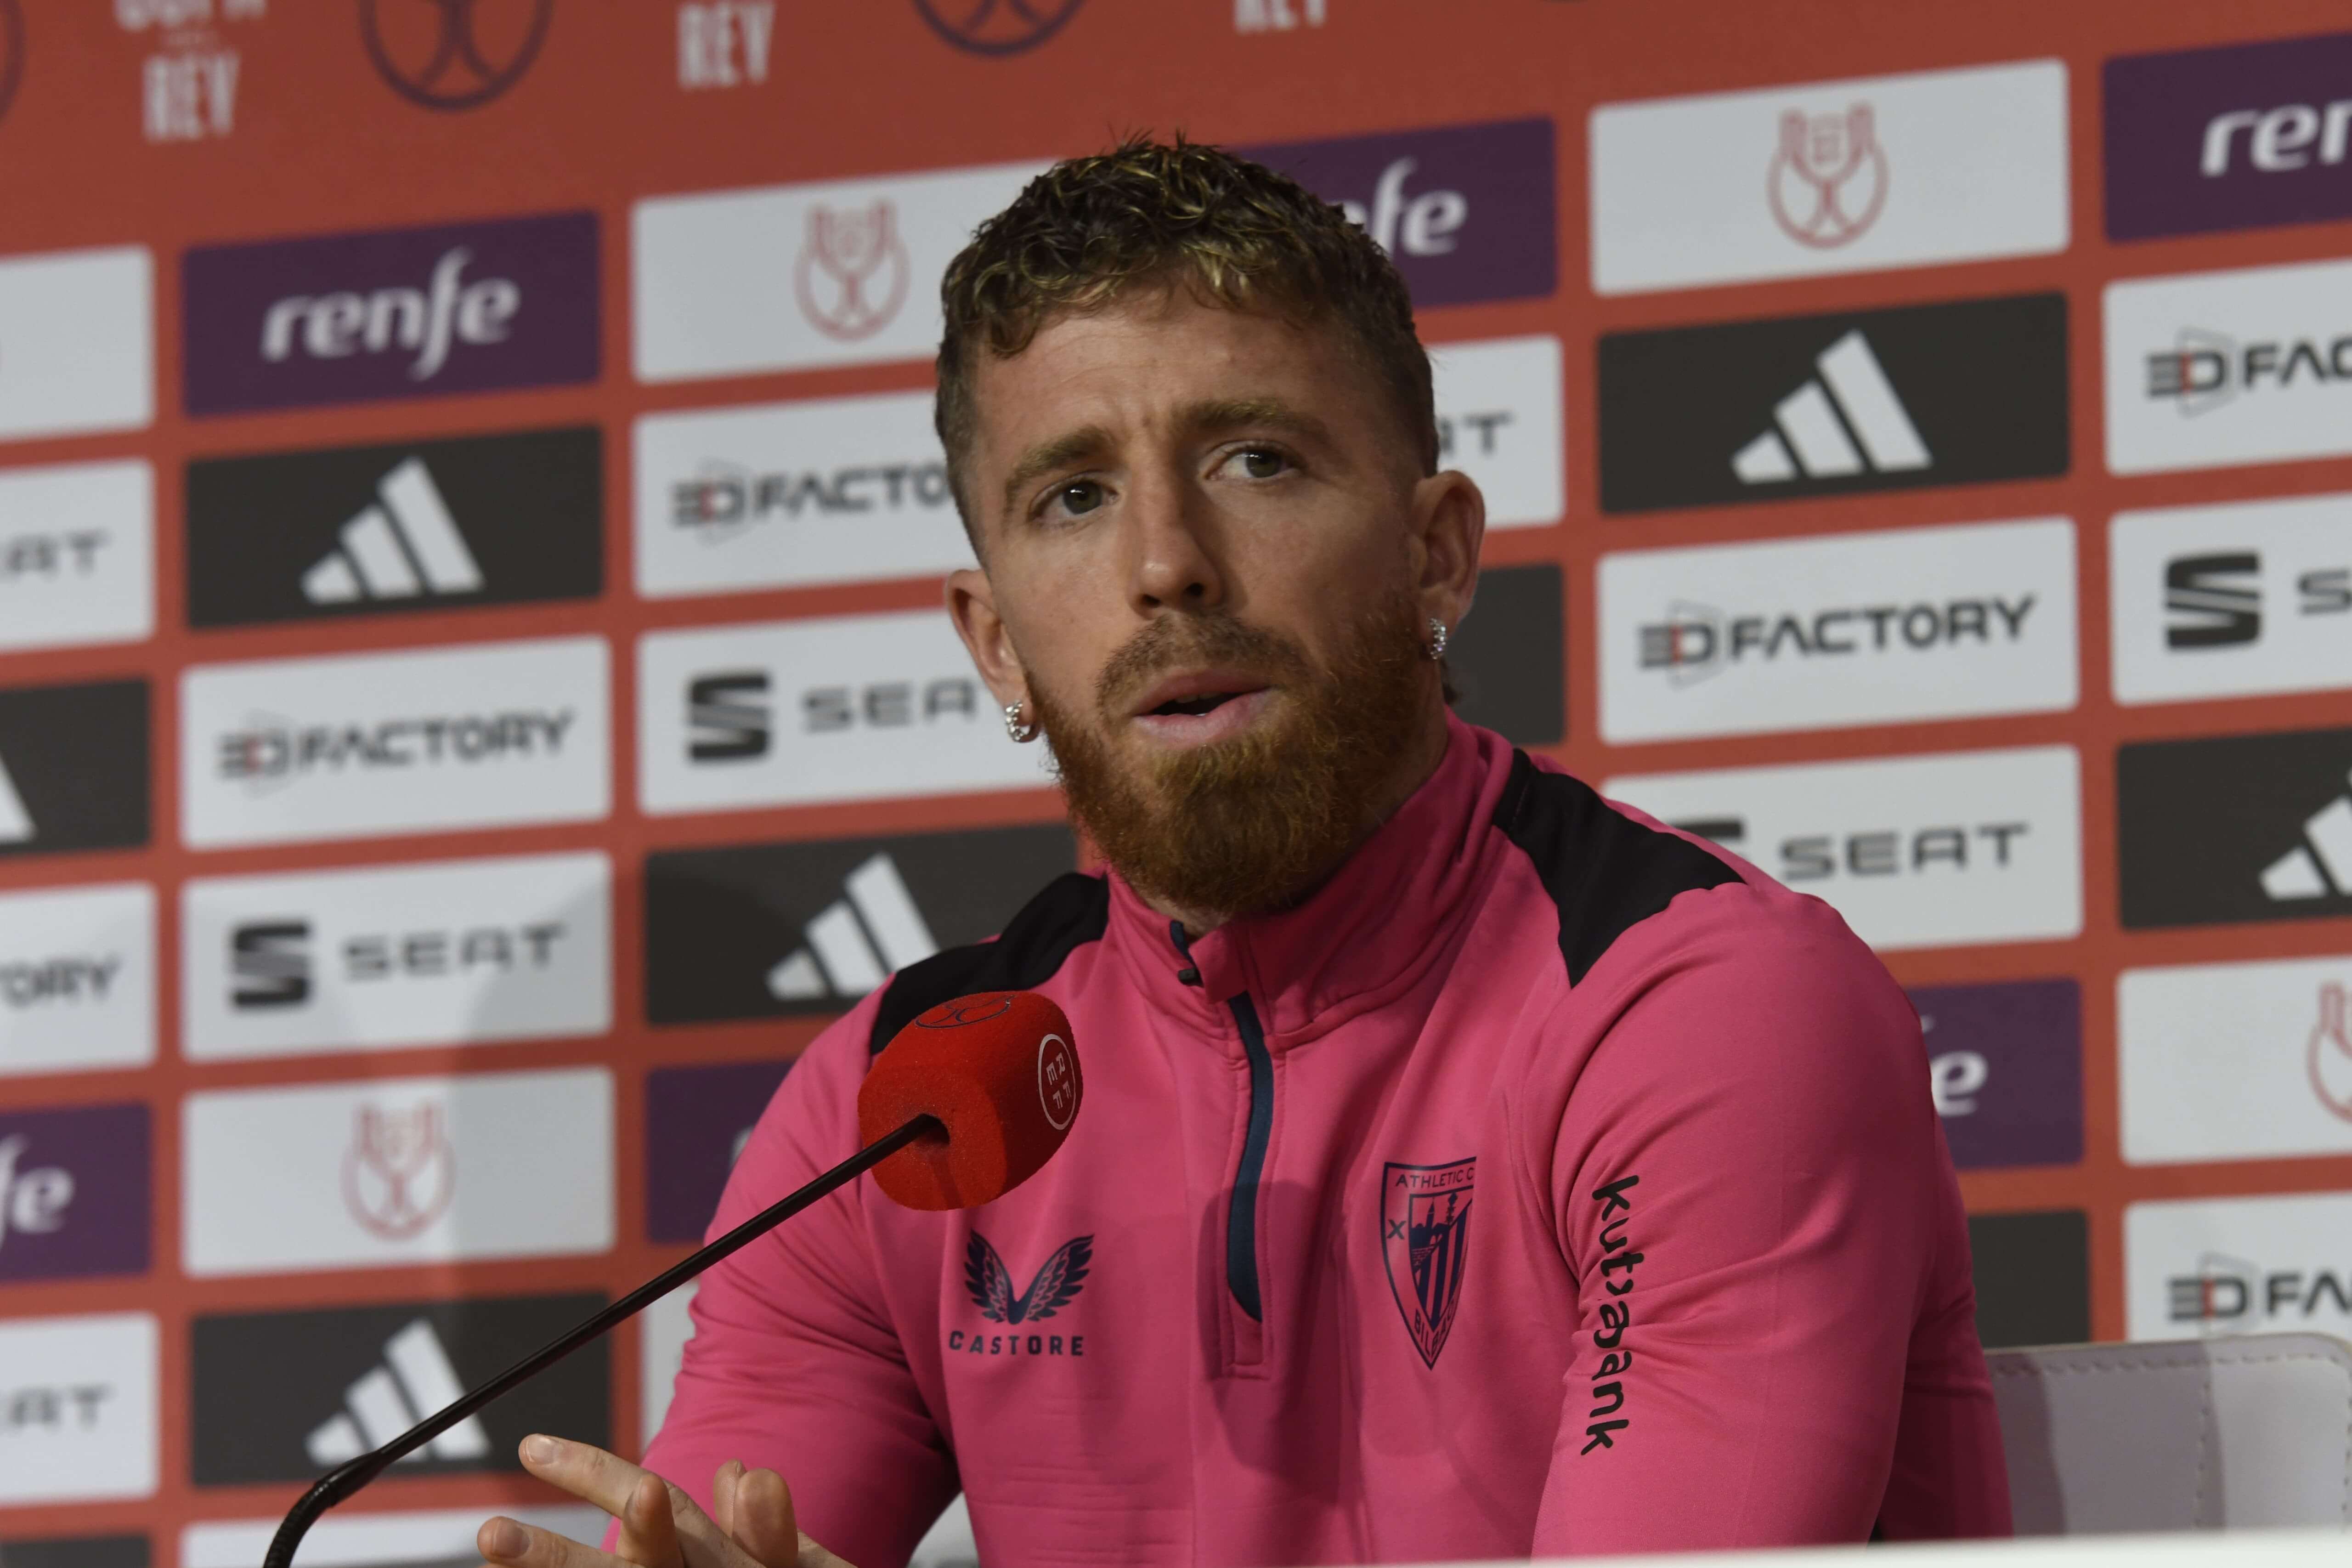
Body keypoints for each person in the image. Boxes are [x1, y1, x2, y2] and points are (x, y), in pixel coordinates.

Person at [477, 137, 2010, 1568]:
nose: (1165, 567)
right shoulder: (896, 1110)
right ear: (998, 643)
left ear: (1437, 554)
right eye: (1074, 496)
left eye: (1256, 461)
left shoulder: (1693, 1007)